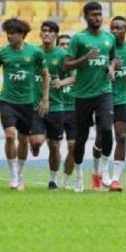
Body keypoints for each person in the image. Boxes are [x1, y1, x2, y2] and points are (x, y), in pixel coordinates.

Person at [63, 2, 116, 193]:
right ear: (85, 16)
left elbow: (113, 57)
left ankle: (102, 171)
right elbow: (66, 65)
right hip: (83, 94)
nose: (97, 18)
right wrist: (84, 58)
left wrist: (111, 68)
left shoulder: (109, 38)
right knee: (81, 138)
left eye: (100, 14)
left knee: (106, 129)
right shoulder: (79, 39)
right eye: (93, 14)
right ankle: (78, 176)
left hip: (104, 91)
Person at [0, 18, 49, 191]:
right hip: (8, 101)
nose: (9, 36)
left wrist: (45, 99)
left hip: (28, 102)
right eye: (8, 33)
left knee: (24, 140)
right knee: (10, 135)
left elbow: (45, 75)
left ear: (22, 34)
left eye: (13, 33)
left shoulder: (35, 53)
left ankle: (20, 172)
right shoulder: (2, 53)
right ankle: (13, 174)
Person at [28, 21, 73, 190]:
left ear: (55, 35)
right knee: (37, 141)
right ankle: (35, 145)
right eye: (44, 31)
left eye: (50, 32)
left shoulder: (62, 55)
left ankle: (53, 179)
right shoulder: (34, 53)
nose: (46, 34)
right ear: (40, 34)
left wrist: (61, 82)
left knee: (54, 146)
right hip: (36, 105)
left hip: (57, 106)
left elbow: (73, 76)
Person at [99, 16, 126, 192]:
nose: (114, 31)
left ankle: (115, 179)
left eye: (118, 28)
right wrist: (108, 68)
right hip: (103, 97)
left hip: (122, 99)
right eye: (112, 28)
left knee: (121, 137)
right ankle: (101, 171)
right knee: (103, 137)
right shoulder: (104, 47)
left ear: (125, 30)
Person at [56, 34, 78, 190]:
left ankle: (65, 180)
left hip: (74, 110)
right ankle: (53, 177)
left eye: (67, 44)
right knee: (54, 146)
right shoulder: (52, 66)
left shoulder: (78, 66)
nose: (65, 47)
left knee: (73, 147)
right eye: (62, 44)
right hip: (57, 109)